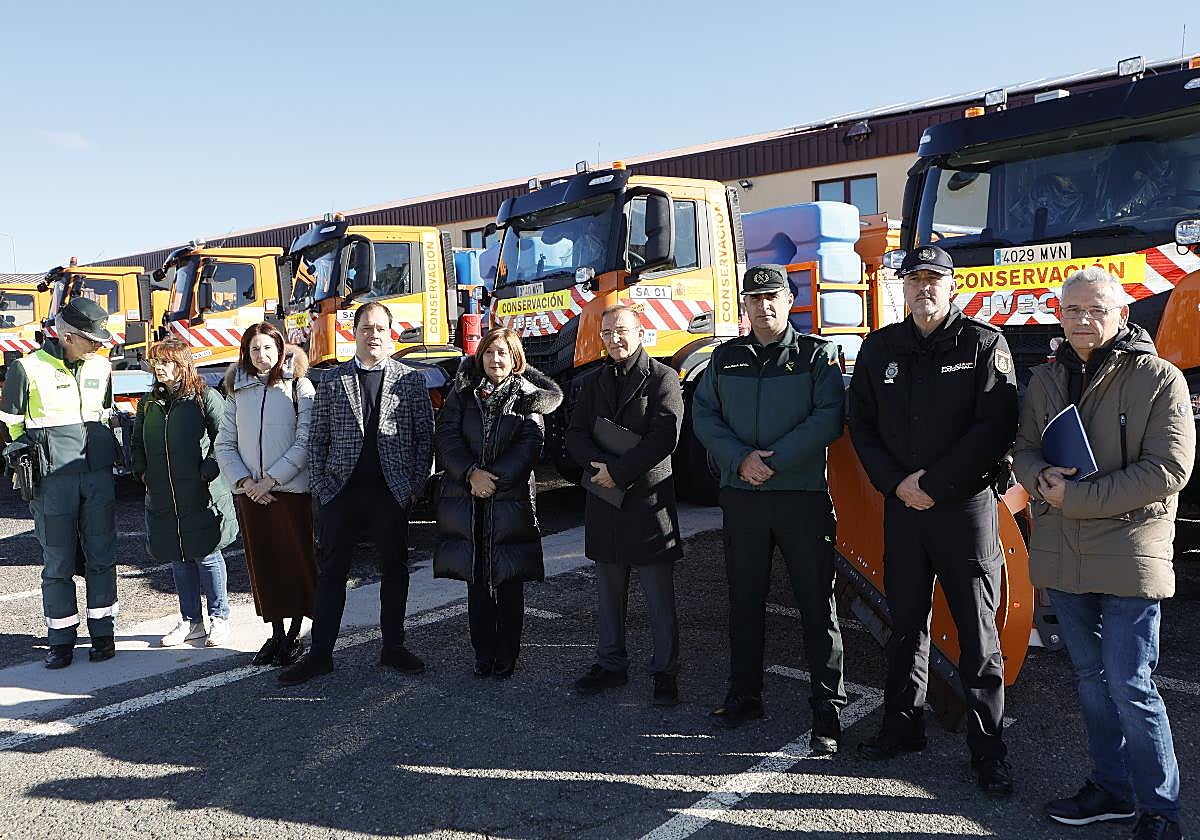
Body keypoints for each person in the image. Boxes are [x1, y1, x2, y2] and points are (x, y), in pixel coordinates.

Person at [1013, 267, 1193, 840]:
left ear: (1122, 314)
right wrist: (1039, 475)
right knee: (1091, 680)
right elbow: (1022, 450)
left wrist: (1077, 497)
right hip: (1063, 553)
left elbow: (1169, 470)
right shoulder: (1045, 380)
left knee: (1130, 684)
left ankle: (1161, 810)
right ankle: (1112, 790)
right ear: (1059, 316)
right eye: (1072, 311)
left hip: (1129, 554)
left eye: (1096, 309)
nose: (1083, 320)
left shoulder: (1160, 378)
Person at [848, 245, 1017, 798]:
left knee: (977, 632)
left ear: (952, 287)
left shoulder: (983, 344)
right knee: (906, 625)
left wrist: (933, 485)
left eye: (934, 280)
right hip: (903, 509)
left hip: (964, 510)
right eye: (914, 280)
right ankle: (902, 725)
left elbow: (994, 429)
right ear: (903, 288)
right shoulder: (880, 349)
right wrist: (897, 484)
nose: (923, 288)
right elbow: (862, 426)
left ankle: (989, 749)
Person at [692, 264, 847, 749]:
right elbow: (703, 416)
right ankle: (744, 695)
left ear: (789, 299)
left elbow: (829, 419)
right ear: (745, 305)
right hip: (744, 499)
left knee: (816, 604)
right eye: (754, 299)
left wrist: (771, 462)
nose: (763, 306)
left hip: (801, 499)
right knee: (744, 602)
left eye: (772, 297)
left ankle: (827, 708)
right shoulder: (725, 358)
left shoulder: (817, 356)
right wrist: (740, 460)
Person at [279, 301, 434, 686]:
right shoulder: (332, 380)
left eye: (380, 328)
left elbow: (424, 438)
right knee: (331, 574)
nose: (373, 335)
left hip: (391, 493)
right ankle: (320, 655)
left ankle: (393, 646)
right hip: (340, 493)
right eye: (366, 328)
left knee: (395, 571)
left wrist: (414, 487)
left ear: (390, 332)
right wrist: (322, 487)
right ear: (355, 332)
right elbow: (318, 441)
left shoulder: (411, 381)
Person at [565, 303, 685, 706]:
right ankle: (610, 663)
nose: (615, 338)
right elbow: (575, 433)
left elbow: (664, 437)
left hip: (647, 501)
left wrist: (618, 471)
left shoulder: (663, 378)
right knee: (608, 593)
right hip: (604, 498)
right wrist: (597, 467)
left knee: (658, 598)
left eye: (622, 330)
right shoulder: (592, 382)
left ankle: (665, 672)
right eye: (608, 333)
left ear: (640, 331)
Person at [433, 328, 561, 679]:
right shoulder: (463, 394)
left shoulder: (528, 397)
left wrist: (493, 481)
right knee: (475, 580)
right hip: (466, 497)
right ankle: (482, 654)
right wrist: (470, 474)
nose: (495, 360)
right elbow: (446, 437)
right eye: (489, 353)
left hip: (510, 498)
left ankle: (507, 655)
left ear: (516, 357)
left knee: (509, 580)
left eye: (503, 352)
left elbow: (531, 445)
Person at [0, 298, 119, 668]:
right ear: (67, 336)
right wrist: (31, 459)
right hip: (53, 481)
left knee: (102, 556)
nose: (100, 346)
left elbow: (105, 413)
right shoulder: (27, 368)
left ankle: (104, 634)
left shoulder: (101, 365)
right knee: (58, 561)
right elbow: (11, 425)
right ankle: (61, 640)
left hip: (97, 474)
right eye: (92, 339)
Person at [215, 323, 317, 667]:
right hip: (251, 496)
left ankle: (295, 634)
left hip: (288, 492)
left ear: (281, 349)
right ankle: (275, 633)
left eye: (268, 348)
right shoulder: (237, 390)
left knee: (296, 562)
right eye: (255, 349)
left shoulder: (299, 385)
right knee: (264, 565)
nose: (262, 356)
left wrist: (271, 480)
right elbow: (224, 442)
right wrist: (245, 483)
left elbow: (306, 439)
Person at [133, 337, 239, 649]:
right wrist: (142, 471)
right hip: (164, 494)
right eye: (157, 362)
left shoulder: (205, 397)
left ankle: (220, 618)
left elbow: (226, 438)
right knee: (178, 557)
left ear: (182, 366)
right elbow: (137, 442)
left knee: (206, 554)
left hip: (201, 492)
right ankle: (191, 621)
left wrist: (207, 471)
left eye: (165, 362)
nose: (159, 368)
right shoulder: (148, 402)